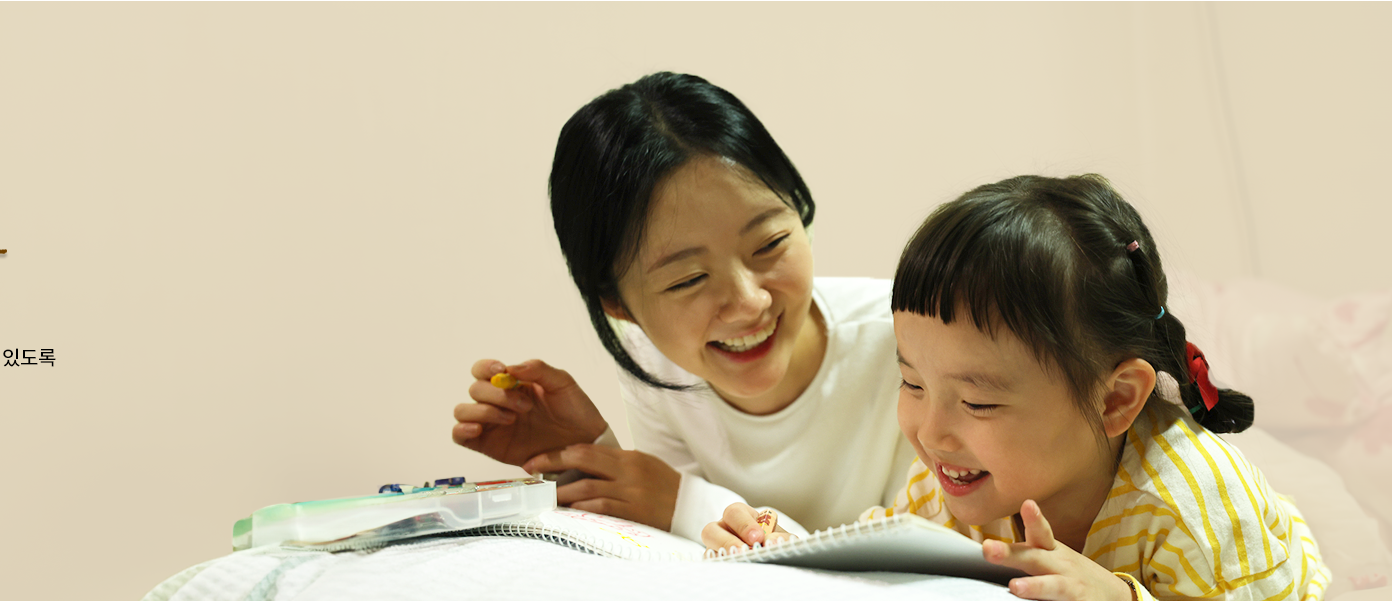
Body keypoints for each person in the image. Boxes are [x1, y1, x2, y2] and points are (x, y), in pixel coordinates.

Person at [706, 174, 1330, 600]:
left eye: (978, 401)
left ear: (1115, 400)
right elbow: (880, 560)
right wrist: (783, 547)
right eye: (911, 382)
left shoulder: (1191, 507)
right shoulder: (950, 481)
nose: (931, 432)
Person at [451, 71, 918, 540]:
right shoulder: (653, 363)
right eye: (689, 279)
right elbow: (688, 549)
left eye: (769, 243)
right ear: (617, 303)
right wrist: (589, 457)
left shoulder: (909, 339)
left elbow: (924, 553)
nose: (749, 303)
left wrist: (680, 501)